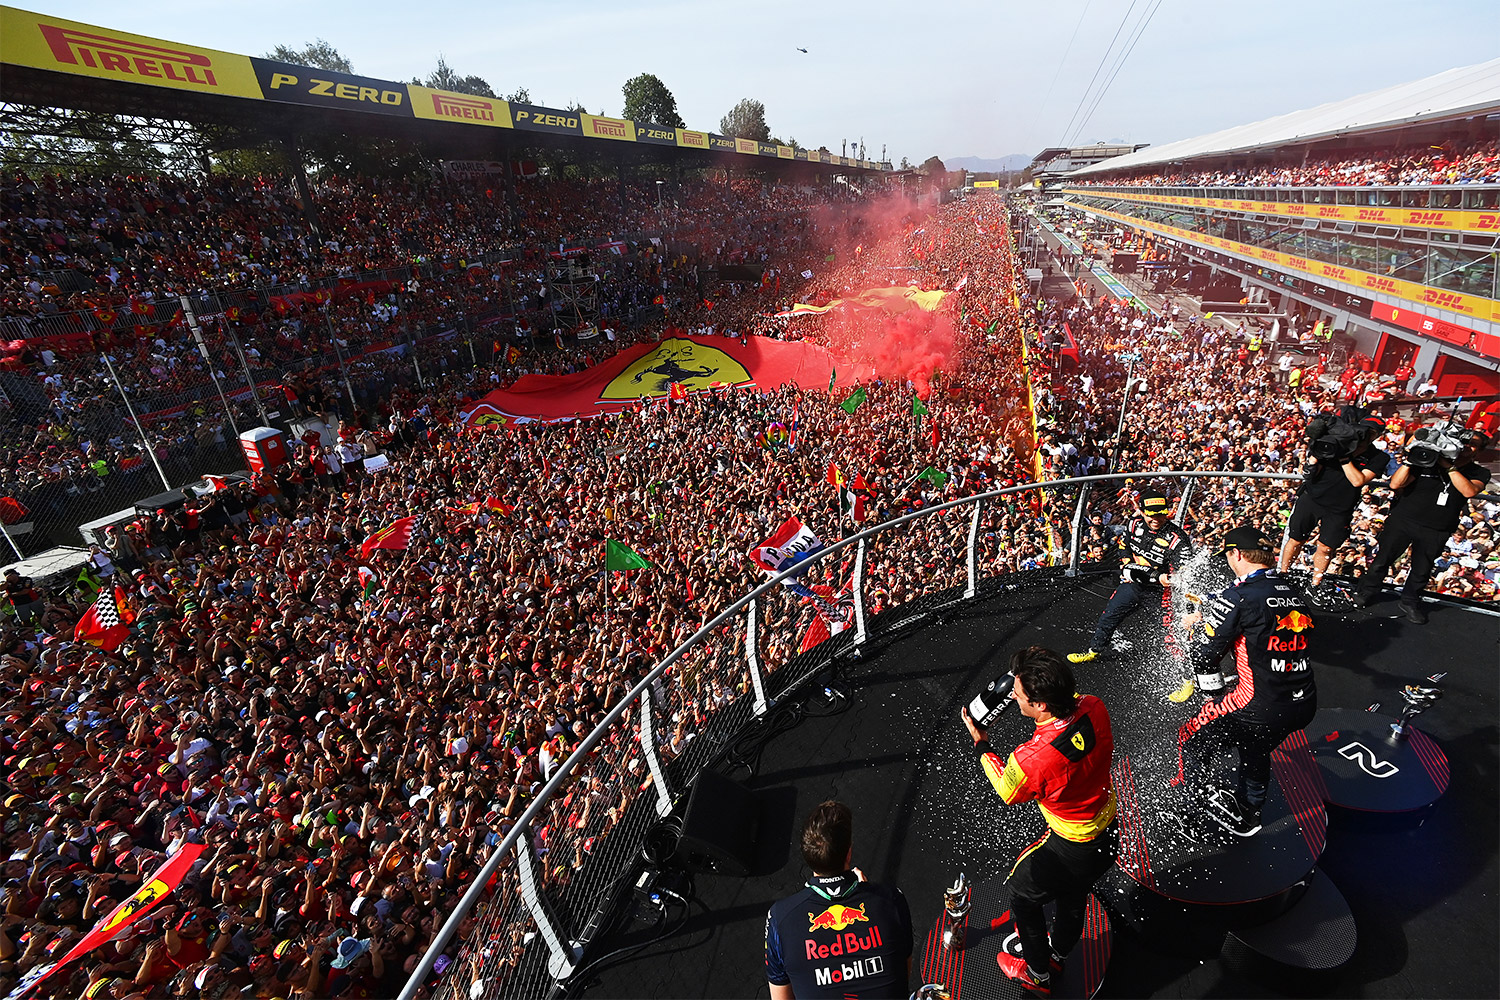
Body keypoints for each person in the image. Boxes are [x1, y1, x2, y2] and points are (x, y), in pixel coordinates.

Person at [961, 647, 1116, 996]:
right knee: (1075, 897)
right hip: (1109, 829)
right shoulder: (1094, 705)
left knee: (1021, 897)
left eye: (1017, 695)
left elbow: (1007, 789)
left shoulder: (1031, 758)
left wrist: (981, 744)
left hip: (1071, 846)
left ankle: (1038, 975)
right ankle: (1058, 954)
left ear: (1041, 704)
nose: (1013, 699)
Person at [1173, 525, 1318, 837]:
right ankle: (1250, 814)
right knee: (1256, 748)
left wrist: (1213, 698)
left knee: (1190, 738)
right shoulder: (1292, 590)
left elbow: (1203, 654)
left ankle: (1188, 812)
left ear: (1236, 554)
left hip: (1255, 705)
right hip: (1304, 703)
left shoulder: (1236, 597)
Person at [765, 801, 912, 1000]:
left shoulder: (780, 919)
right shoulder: (891, 900)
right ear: (849, 853)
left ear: (807, 856)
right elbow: (902, 973)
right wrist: (868, 896)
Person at [1357, 430, 1493, 623]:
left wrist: (1449, 466)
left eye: (1473, 445)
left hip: (1437, 527)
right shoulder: (1428, 461)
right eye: (1464, 441)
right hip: (1404, 520)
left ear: (1477, 452)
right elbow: (1395, 484)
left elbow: (1468, 490)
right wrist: (1412, 459)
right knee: (1383, 559)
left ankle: (1410, 601)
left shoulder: (1479, 472)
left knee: (1422, 568)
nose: (1466, 446)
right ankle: (1367, 591)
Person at [1068, 489, 1191, 664]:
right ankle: (1094, 651)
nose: (1156, 520)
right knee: (1108, 617)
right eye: (1151, 515)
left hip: (1161, 593)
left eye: (1161, 515)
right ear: (1141, 511)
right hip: (1132, 584)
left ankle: (1186, 676)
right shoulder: (1134, 523)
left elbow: (1184, 572)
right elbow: (1123, 545)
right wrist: (1128, 563)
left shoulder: (1178, 538)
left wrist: (1171, 578)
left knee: (1169, 635)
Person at [1278, 415, 1389, 591]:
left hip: (1340, 507)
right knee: (1296, 539)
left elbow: (1358, 480)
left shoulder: (1379, 457)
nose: (1368, 435)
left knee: (1326, 547)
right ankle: (1283, 574)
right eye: (1367, 431)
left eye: (1373, 433)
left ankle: (1315, 583)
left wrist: (1344, 458)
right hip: (1312, 497)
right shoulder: (1335, 443)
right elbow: (1313, 462)